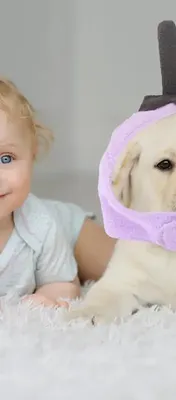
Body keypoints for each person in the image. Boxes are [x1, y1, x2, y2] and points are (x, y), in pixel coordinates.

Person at [0, 77, 116, 308]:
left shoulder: (41, 225)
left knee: (127, 271)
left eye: (6, 158)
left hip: (72, 233)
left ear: (32, 155)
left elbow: (64, 285)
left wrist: (49, 297)